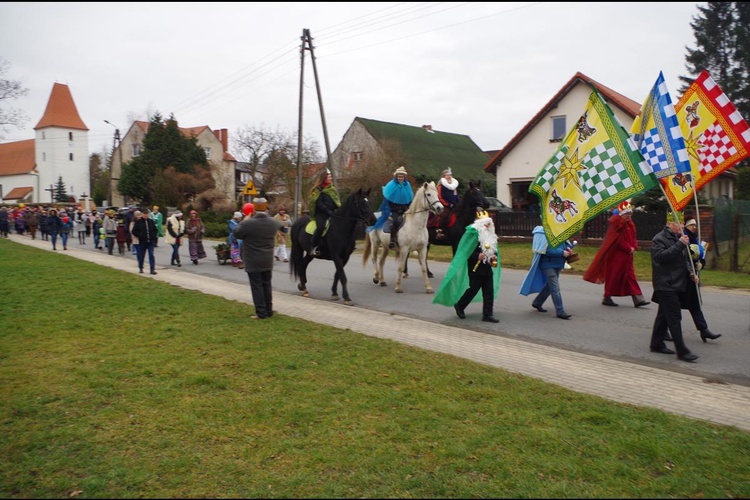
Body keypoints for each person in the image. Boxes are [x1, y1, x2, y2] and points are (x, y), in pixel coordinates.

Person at [433, 210, 501, 322]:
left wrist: (493, 257)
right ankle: (460, 305)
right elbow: (465, 252)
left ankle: (487, 314)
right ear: (480, 224)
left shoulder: (491, 236)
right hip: (475, 268)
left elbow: (494, 249)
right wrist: (477, 256)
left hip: (486, 267)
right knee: (473, 289)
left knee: (489, 291)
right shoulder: (472, 235)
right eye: (486, 223)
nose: (488, 226)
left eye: (489, 223)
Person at [583, 201, 650, 307]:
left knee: (630, 277)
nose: (628, 216)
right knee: (613, 276)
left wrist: (633, 246)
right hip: (616, 256)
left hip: (628, 255)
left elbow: (633, 237)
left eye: (629, 214)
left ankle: (638, 299)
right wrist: (629, 248)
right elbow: (616, 240)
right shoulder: (616, 224)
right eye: (626, 214)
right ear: (621, 214)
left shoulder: (630, 224)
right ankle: (607, 297)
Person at [649, 220, 699, 362]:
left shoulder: (679, 238)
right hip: (665, 284)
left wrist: (691, 273)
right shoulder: (659, 238)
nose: (682, 227)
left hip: (677, 282)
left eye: (683, 224)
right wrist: (679, 245)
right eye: (678, 224)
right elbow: (660, 257)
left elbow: (685, 259)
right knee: (674, 317)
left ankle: (656, 343)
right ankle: (682, 351)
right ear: (669, 224)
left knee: (664, 315)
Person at [233, 197, 283, 320]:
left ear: (253, 208)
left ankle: (261, 312)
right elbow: (282, 226)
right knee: (267, 285)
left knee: (257, 286)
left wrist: (244, 219)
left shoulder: (247, 223)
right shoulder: (273, 222)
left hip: (253, 260)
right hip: (267, 259)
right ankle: (269, 310)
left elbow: (236, 233)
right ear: (266, 208)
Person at [519, 223, 573, 320]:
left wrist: (568, 249)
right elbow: (545, 250)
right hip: (547, 264)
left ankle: (537, 303)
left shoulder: (559, 231)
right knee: (555, 288)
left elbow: (564, 245)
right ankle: (560, 311)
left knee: (549, 286)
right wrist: (562, 252)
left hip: (558, 263)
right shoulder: (544, 233)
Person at [683, 218, 721, 343]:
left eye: (695, 225)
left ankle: (704, 330)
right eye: (691, 225)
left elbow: (700, 256)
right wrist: (691, 270)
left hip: (693, 276)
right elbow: (684, 258)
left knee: (694, 304)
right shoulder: (683, 238)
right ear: (686, 226)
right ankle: (661, 331)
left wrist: (701, 264)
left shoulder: (695, 239)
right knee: (672, 306)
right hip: (684, 276)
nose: (694, 227)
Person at [375, 166, 414, 249]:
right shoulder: (391, 185)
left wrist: (407, 208)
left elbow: (409, 198)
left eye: (402, 176)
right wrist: (397, 209)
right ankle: (392, 240)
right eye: (399, 176)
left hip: (404, 209)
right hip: (393, 209)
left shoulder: (407, 185)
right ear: (396, 176)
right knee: (396, 221)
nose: (401, 178)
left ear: (404, 177)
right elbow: (389, 199)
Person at [308, 170, 341, 257]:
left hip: (331, 212)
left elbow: (335, 201)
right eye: (329, 177)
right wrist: (328, 211)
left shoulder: (332, 189)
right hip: (321, 213)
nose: (331, 178)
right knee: (321, 227)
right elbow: (319, 203)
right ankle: (313, 246)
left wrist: (339, 209)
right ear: (324, 178)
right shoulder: (317, 189)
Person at [131, 209, 158, 275]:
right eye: (144, 213)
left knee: (151, 255)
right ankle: (141, 267)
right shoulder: (138, 222)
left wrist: (153, 236)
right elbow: (134, 231)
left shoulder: (151, 221)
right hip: (142, 242)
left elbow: (155, 230)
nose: (146, 215)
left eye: (147, 214)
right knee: (141, 255)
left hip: (150, 242)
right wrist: (140, 235)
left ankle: (152, 269)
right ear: (142, 214)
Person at [435, 167, 460, 237]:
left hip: (454, 205)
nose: (449, 177)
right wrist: (448, 204)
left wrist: (457, 201)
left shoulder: (453, 186)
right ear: (443, 177)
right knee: (444, 215)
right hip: (444, 205)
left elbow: (455, 196)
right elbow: (440, 197)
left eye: (450, 175)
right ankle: (439, 231)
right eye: (447, 175)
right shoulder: (440, 186)